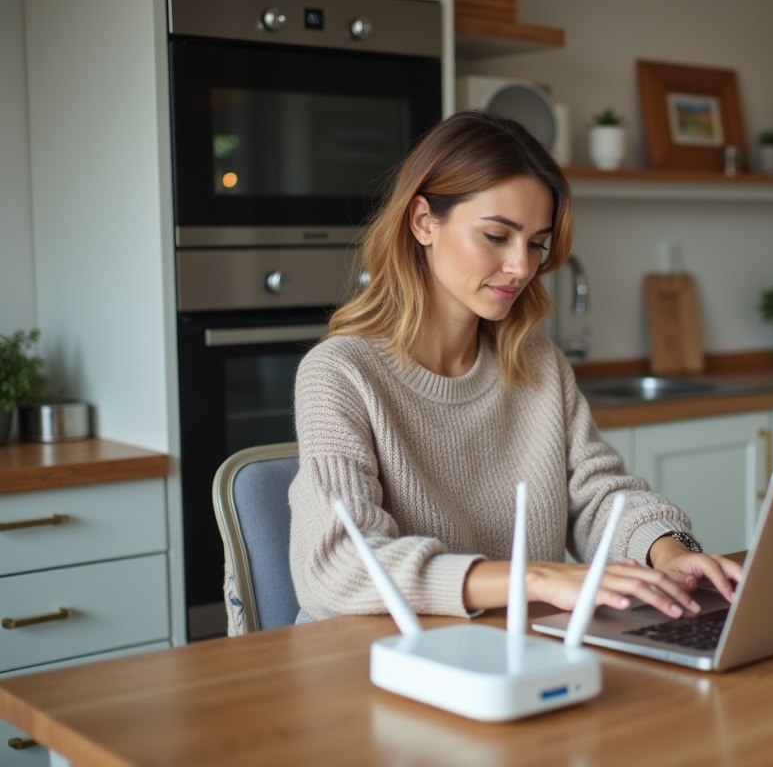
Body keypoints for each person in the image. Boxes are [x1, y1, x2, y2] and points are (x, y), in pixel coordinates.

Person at [284, 110, 741, 629]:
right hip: (378, 661)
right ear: (423, 222)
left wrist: (670, 552)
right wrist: (537, 578)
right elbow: (341, 563)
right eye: (497, 236)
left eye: (536, 243)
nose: (523, 267)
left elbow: (600, 496)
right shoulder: (340, 374)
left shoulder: (538, 365)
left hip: (511, 648)